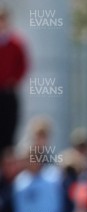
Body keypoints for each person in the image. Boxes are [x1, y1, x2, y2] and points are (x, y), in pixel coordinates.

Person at [0, 4, 29, 151]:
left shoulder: (16, 43)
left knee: (8, 131)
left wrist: (14, 80)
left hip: (8, 92)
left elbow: (23, 65)